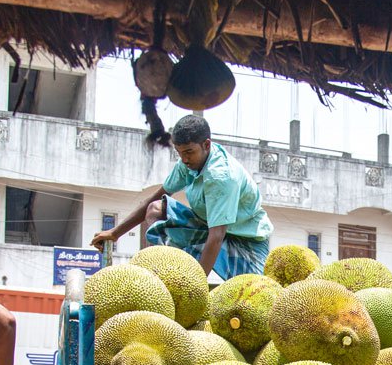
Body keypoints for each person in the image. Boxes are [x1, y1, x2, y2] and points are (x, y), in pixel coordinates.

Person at [91, 114, 272, 278]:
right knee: (156, 209)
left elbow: (216, 236)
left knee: (247, 293)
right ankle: (154, 278)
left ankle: (180, 284)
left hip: (246, 246)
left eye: (189, 153)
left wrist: (196, 287)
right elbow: (156, 197)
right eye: (179, 153)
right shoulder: (188, 164)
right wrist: (115, 233)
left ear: (206, 145)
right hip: (209, 231)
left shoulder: (221, 177)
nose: (184, 159)